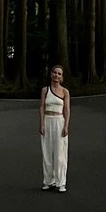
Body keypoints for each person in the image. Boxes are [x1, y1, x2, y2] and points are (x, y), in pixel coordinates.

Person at [39, 64, 70, 193]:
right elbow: (41, 107)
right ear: (51, 74)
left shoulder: (65, 92)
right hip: (47, 120)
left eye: (59, 74)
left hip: (59, 121)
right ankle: (48, 181)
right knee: (47, 152)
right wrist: (41, 123)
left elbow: (67, 109)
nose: (56, 75)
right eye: (55, 73)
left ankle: (61, 182)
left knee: (60, 153)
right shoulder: (45, 90)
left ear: (61, 77)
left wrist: (66, 125)